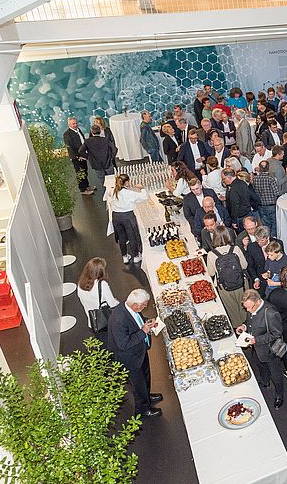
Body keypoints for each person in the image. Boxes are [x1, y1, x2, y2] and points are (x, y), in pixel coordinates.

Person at [107, 289, 162, 417]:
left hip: (139, 351)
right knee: (138, 385)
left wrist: (147, 322)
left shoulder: (129, 308)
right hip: (129, 358)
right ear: (135, 305)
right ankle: (143, 409)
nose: (145, 307)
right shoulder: (118, 320)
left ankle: (146, 396)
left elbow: (136, 321)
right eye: (144, 305)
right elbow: (123, 344)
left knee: (145, 377)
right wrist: (143, 331)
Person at [236, 290, 285, 408]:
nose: (247, 310)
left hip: (270, 350)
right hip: (257, 350)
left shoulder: (271, 313)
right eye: (245, 308)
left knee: (276, 374)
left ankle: (279, 395)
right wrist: (244, 326)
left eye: (249, 307)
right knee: (261, 366)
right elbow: (250, 322)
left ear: (258, 301)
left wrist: (256, 340)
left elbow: (276, 334)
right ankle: (265, 381)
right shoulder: (252, 307)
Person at [205, 225, 247, 326]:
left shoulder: (211, 254)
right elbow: (244, 265)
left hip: (224, 287)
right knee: (244, 306)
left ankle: (238, 328)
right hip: (240, 283)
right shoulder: (236, 249)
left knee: (232, 310)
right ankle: (247, 325)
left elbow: (210, 273)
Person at [76, 257, 118, 345]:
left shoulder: (80, 284)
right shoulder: (102, 285)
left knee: (104, 347)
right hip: (106, 321)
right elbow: (112, 304)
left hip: (93, 323)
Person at [110, 174, 147, 264]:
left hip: (116, 217)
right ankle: (136, 256)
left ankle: (125, 256)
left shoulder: (113, 191)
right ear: (126, 182)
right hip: (127, 217)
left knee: (122, 237)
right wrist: (142, 188)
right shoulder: (129, 193)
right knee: (132, 236)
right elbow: (143, 197)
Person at [63, 116, 94, 195]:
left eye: (76, 123)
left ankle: (87, 186)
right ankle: (83, 189)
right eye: (73, 124)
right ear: (69, 125)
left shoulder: (78, 130)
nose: (75, 125)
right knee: (80, 173)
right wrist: (77, 156)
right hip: (77, 157)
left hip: (83, 155)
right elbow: (70, 147)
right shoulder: (67, 134)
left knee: (84, 171)